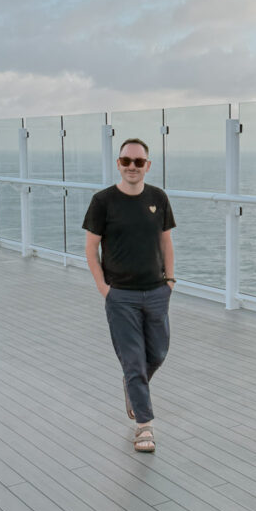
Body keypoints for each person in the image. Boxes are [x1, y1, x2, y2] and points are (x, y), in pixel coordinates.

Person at [83, 138, 176, 452]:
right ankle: (144, 426)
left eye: (139, 162)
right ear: (118, 164)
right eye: (126, 161)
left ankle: (132, 385)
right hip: (120, 295)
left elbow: (166, 242)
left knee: (159, 353)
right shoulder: (103, 201)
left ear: (148, 165)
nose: (132, 167)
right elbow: (90, 248)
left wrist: (170, 281)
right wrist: (104, 289)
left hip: (156, 291)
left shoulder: (158, 198)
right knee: (134, 361)